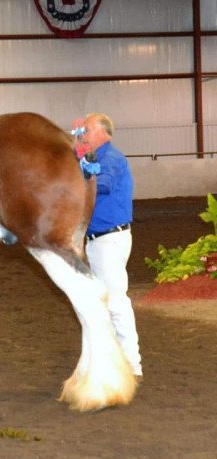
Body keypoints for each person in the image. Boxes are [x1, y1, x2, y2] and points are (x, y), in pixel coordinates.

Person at [82, 113, 143, 377]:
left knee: (116, 301)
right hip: (98, 240)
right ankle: (117, 360)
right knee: (103, 300)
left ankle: (132, 364)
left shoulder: (113, 158)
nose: (83, 134)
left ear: (102, 133)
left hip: (110, 240)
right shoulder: (96, 158)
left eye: (87, 129)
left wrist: (88, 169)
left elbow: (103, 185)